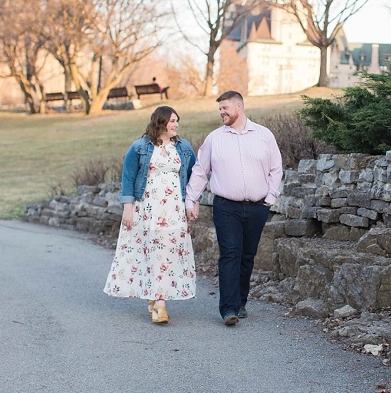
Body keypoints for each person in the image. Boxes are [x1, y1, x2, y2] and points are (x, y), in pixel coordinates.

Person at [185, 90, 283, 326]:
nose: (221, 112)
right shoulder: (214, 139)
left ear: (239, 107)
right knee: (230, 253)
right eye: (220, 109)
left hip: (258, 207)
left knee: (247, 255)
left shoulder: (264, 135)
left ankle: (240, 302)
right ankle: (228, 309)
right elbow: (200, 171)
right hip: (226, 207)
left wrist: (270, 197)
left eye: (225, 108)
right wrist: (191, 198)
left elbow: (276, 169)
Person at [104, 106, 197, 324]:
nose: (176, 125)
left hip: (174, 210)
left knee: (168, 253)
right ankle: (159, 302)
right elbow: (128, 177)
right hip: (146, 210)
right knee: (151, 254)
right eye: (172, 121)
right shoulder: (140, 147)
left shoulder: (184, 148)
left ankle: (158, 299)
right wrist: (128, 208)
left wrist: (194, 202)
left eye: (177, 121)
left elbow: (194, 178)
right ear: (160, 122)